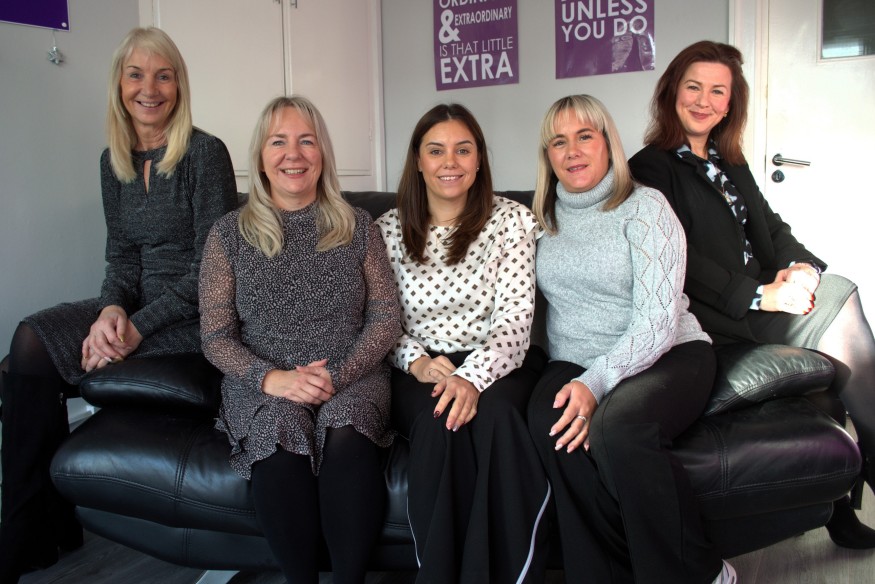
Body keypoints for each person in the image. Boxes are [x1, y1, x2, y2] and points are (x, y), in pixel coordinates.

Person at [0, 27, 237, 583]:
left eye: (163, 75)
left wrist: (134, 327)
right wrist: (111, 311)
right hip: (138, 309)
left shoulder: (205, 153)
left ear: (178, 85)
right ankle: (38, 526)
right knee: (29, 346)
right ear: (119, 84)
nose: (149, 89)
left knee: (47, 358)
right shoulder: (115, 161)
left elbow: (214, 271)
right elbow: (121, 258)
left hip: (197, 316)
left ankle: (25, 533)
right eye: (136, 75)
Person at [628, 40, 875, 549]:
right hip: (717, 315)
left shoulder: (729, 161)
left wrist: (802, 268)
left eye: (717, 91)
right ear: (672, 92)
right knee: (842, 307)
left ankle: (843, 502)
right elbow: (680, 258)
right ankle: (865, 477)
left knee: (833, 307)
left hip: (760, 299)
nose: (704, 100)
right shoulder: (651, 168)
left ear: (730, 103)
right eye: (693, 87)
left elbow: (771, 227)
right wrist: (761, 296)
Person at [527, 95, 735, 584]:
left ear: (608, 144)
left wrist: (596, 381)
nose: (573, 151)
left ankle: (700, 573)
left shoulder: (645, 207)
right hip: (573, 358)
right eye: (559, 142)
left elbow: (657, 322)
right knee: (548, 424)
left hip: (667, 352)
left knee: (618, 429)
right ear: (548, 155)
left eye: (585, 136)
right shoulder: (539, 221)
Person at [199, 95, 401, 584]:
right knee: (281, 431)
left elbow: (385, 318)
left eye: (306, 141)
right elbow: (216, 336)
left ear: (322, 153)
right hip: (262, 384)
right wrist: (271, 379)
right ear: (260, 156)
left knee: (347, 428)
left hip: (352, 374)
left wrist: (337, 376)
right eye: (279, 142)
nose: (294, 154)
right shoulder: (227, 235)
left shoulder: (358, 226)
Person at [376, 103, 550, 584]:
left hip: (501, 361)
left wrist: (472, 377)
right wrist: (415, 361)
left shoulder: (512, 221)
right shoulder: (385, 231)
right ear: (418, 161)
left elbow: (515, 319)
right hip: (419, 367)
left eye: (463, 150)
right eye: (436, 151)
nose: (449, 162)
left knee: (495, 418)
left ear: (478, 160)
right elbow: (378, 319)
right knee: (441, 423)